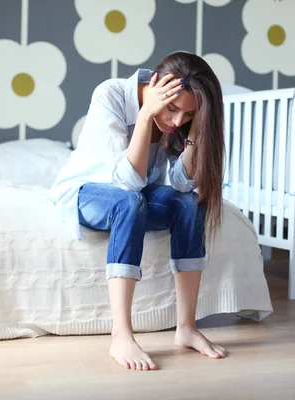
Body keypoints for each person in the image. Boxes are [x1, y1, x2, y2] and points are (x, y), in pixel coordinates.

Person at [50, 51, 226, 371]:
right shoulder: (112, 95)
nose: (176, 122)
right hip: (86, 191)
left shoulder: (182, 121)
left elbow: (183, 184)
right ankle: (121, 335)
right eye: (172, 109)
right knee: (130, 202)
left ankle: (186, 327)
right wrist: (146, 116)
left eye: (187, 114)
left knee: (189, 203)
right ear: (155, 84)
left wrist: (196, 132)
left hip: (134, 194)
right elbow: (127, 184)